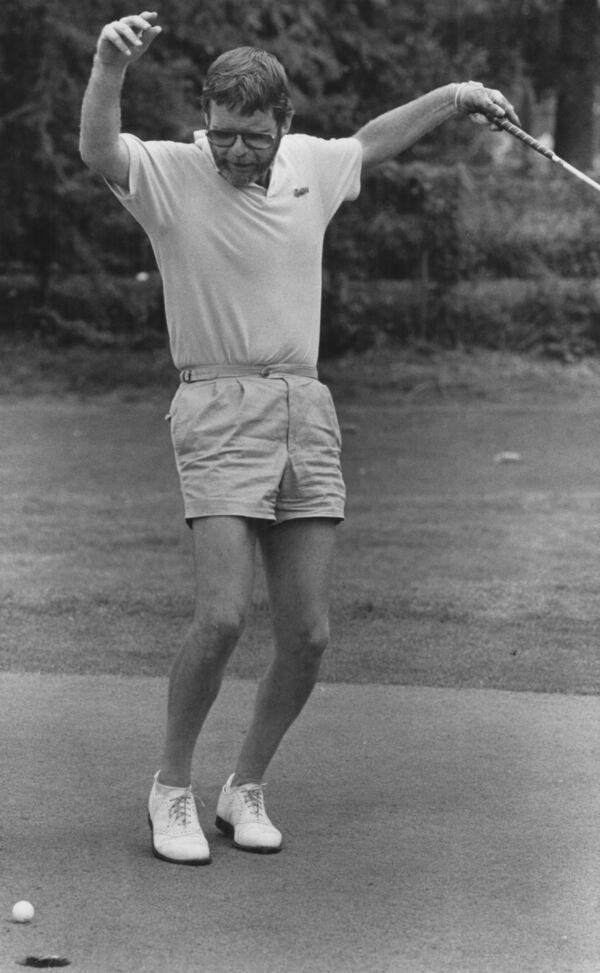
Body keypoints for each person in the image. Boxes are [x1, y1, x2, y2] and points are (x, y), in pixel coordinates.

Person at [79, 10, 518, 866]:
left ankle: (245, 786)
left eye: (254, 136)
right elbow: (100, 149)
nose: (237, 152)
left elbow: (373, 139)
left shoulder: (315, 162)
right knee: (220, 616)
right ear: (205, 120)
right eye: (223, 133)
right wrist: (108, 66)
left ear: (283, 124)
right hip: (215, 403)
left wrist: (459, 95)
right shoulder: (170, 173)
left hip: (306, 408)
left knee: (309, 633)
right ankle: (172, 788)